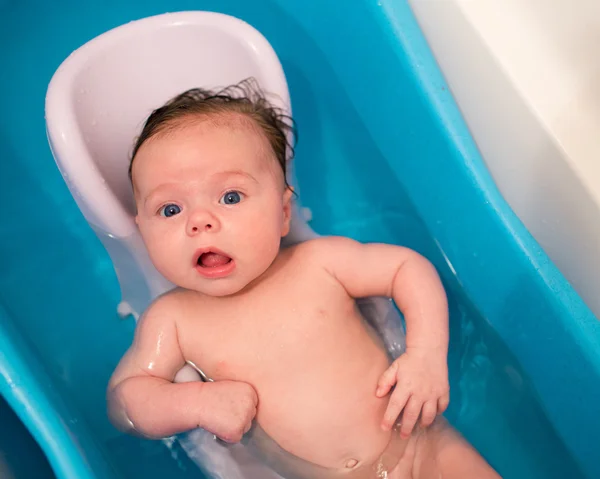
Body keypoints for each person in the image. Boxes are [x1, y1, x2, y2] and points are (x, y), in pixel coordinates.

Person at [107, 79, 500, 478]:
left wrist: (426, 356)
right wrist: (196, 403)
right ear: (142, 230)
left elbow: (406, 269)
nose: (200, 222)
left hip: (422, 442)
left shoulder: (319, 263)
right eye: (171, 209)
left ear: (282, 213)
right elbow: (125, 401)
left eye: (230, 197)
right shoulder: (173, 320)